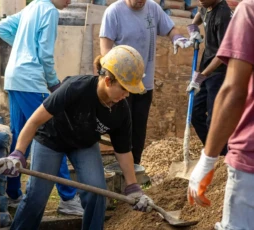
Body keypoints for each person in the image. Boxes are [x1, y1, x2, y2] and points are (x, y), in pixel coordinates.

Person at [0, 45, 154, 230]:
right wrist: (18, 153)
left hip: (83, 144)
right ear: (109, 80)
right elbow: (33, 121)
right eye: (124, 89)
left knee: (97, 193)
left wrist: (133, 187)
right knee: (36, 197)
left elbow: (123, 151)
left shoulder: (121, 110)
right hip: (51, 140)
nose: (127, 95)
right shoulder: (75, 88)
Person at [0, 0, 84, 216]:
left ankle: (13, 193)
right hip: (31, 81)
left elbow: (0, 27)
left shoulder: (32, 6)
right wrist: (54, 84)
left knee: (18, 136)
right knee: (54, 136)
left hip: (14, 78)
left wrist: (24, 49)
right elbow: (44, 55)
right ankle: (68, 198)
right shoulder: (49, 11)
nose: (70, 1)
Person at [99, 0, 192, 165]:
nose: (141, 1)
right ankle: (120, 168)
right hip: (123, 84)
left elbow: (169, 28)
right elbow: (105, 49)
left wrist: (176, 37)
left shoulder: (153, 9)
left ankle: (134, 168)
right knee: (121, 128)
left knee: (139, 129)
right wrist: (114, 77)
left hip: (144, 85)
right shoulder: (114, 12)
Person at [188, 1, 254, 229]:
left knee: (212, 117)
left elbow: (234, 92)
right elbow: (198, 16)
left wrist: (207, 160)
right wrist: (192, 28)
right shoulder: (207, 9)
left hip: (249, 160)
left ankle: (221, 154)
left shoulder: (244, 12)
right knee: (198, 115)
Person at [186, 0, 233, 155]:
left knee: (214, 120)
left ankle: (222, 156)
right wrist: (193, 28)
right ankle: (212, 152)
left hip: (220, 73)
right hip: (206, 67)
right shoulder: (206, 5)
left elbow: (223, 54)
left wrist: (201, 76)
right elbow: (200, 13)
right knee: (195, 113)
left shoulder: (223, 16)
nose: (200, 0)